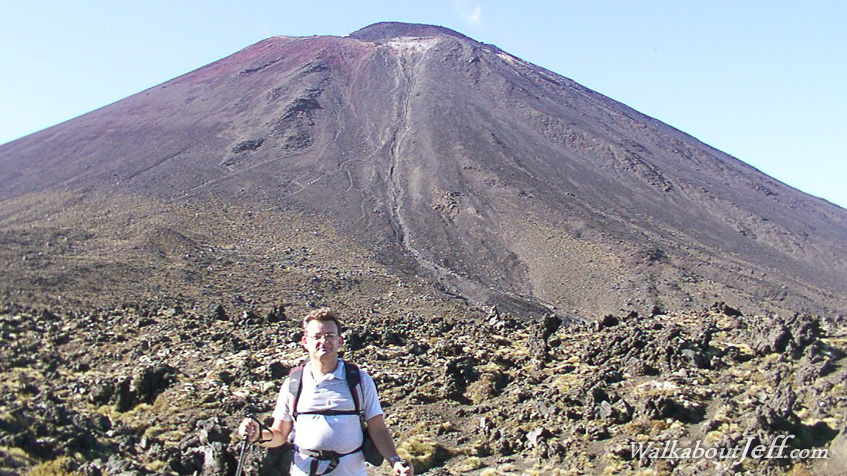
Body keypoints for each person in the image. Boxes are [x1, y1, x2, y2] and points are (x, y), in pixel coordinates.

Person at [238, 308, 413, 476]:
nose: (324, 341)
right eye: (317, 337)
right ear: (305, 342)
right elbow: (279, 434)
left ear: (340, 341)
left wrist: (395, 461)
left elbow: (378, 429)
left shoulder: (359, 380)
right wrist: (257, 435)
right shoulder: (293, 383)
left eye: (330, 336)